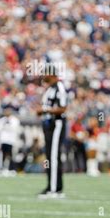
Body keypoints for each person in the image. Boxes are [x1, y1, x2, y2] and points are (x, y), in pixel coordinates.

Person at [36, 67, 68, 198]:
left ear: (53, 74)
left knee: (54, 157)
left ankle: (54, 189)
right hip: (49, 125)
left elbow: (63, 108)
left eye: (46, 73)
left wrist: (44, 110)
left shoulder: (59, 87)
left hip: (57, 124)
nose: (44, 75)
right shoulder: (49, 89)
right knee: (50, 156)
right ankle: (53, 186)